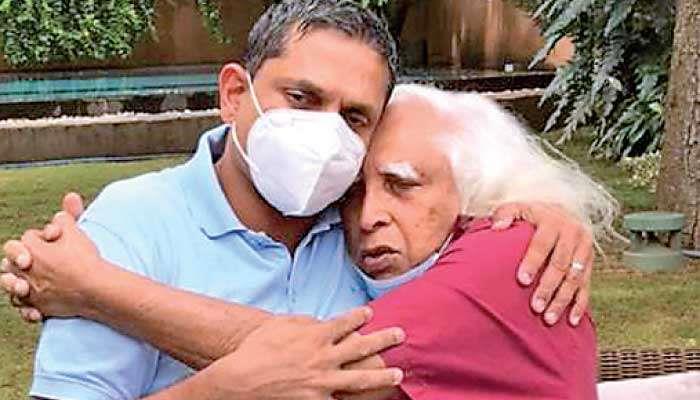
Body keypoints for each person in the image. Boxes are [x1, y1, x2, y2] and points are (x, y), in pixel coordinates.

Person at [2, 1, 596, 398]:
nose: (325, 133)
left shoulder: (369, 237)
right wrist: (220, 393)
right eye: (302, 98)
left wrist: (542, 211)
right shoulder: (129, 227)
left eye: (354, 116)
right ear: (234, 95)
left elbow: (357, 363)